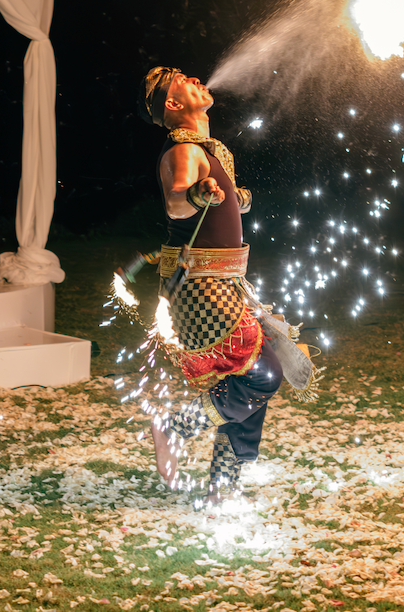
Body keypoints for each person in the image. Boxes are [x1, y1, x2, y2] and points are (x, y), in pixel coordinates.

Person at [136, 66, 316, 504]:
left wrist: (234, 197)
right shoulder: (182, 149)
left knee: (245, 378)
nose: (194, 77)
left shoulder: (208, 149)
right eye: (180, 79)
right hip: (199, 288)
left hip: (225, 280)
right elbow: (178, 204)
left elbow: (218, 203)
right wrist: (200, 195)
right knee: (262, 376)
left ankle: (223, 485)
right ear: (173, 105)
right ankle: (175, 426)